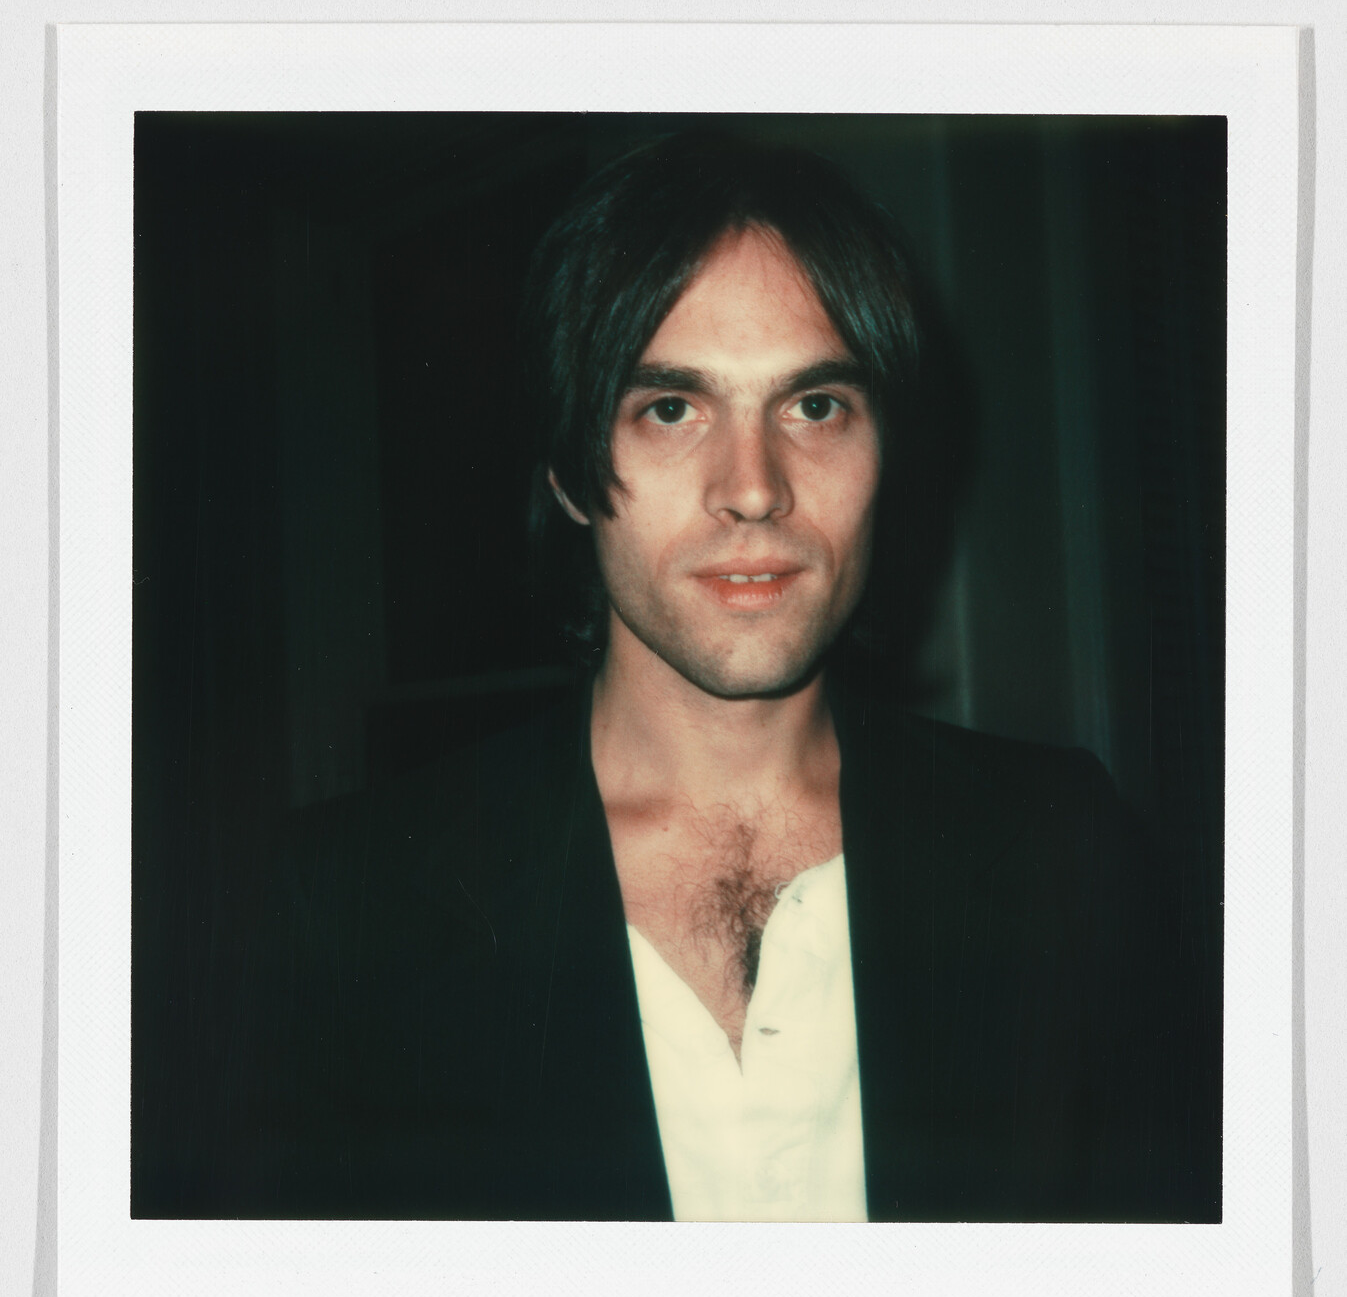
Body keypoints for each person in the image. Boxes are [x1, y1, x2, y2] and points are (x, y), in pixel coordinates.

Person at [149, 133, 1218, 1223]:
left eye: (815, 407)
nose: (753, 489)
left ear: (886, 455)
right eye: (671, 408)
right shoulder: (350, 912)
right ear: (569, 471)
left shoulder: (1064, 857)